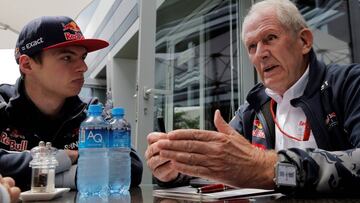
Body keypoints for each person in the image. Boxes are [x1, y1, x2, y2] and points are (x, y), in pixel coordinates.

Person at [145, 0, 360, 196]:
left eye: (270, 38)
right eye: (252, 46)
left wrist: (267, 167)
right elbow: (217, 162)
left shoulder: (349, 84)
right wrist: (173, 167)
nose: (260, 54)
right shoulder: (253, 107)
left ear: (304, 41)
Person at [0, 16, 143, 191]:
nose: (83, 67)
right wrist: (66, 158)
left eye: (83, 57)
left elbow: (131, 167)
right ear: (27, 65)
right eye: (67, 57)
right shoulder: (2, 103)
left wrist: (58, 170)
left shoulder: (92, 112)